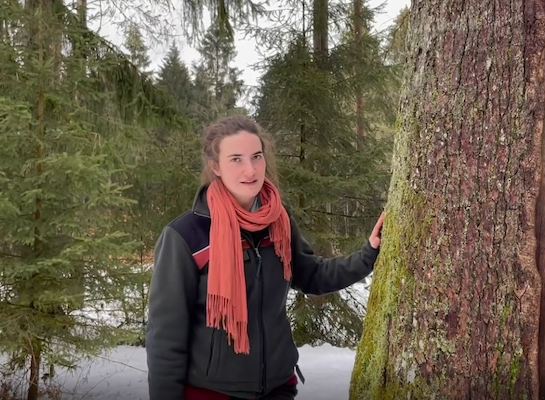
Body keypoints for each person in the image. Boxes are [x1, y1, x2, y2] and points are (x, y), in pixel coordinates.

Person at [146, 115, 385, 400]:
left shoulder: (278, 221)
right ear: (215, 166)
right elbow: (165, 338)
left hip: (277, 388)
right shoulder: (185, 236)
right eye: (236, 159)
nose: (250, 169)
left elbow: (312, 275)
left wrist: (368, 253)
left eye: (256, 157)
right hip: (212, 392)